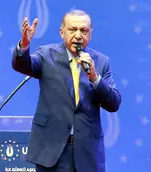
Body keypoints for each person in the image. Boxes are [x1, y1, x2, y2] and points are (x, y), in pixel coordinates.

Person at [12, 9, 121, 172]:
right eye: (72, 29)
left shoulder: (101, 62)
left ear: (90, 34)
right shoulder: (46, 54)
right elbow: (22, 65)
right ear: (62, 32)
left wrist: (94, 77)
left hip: (87, 153)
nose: (78, 35)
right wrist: (25, 45)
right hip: (51, 151)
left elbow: (114, 103)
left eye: (83, 30)